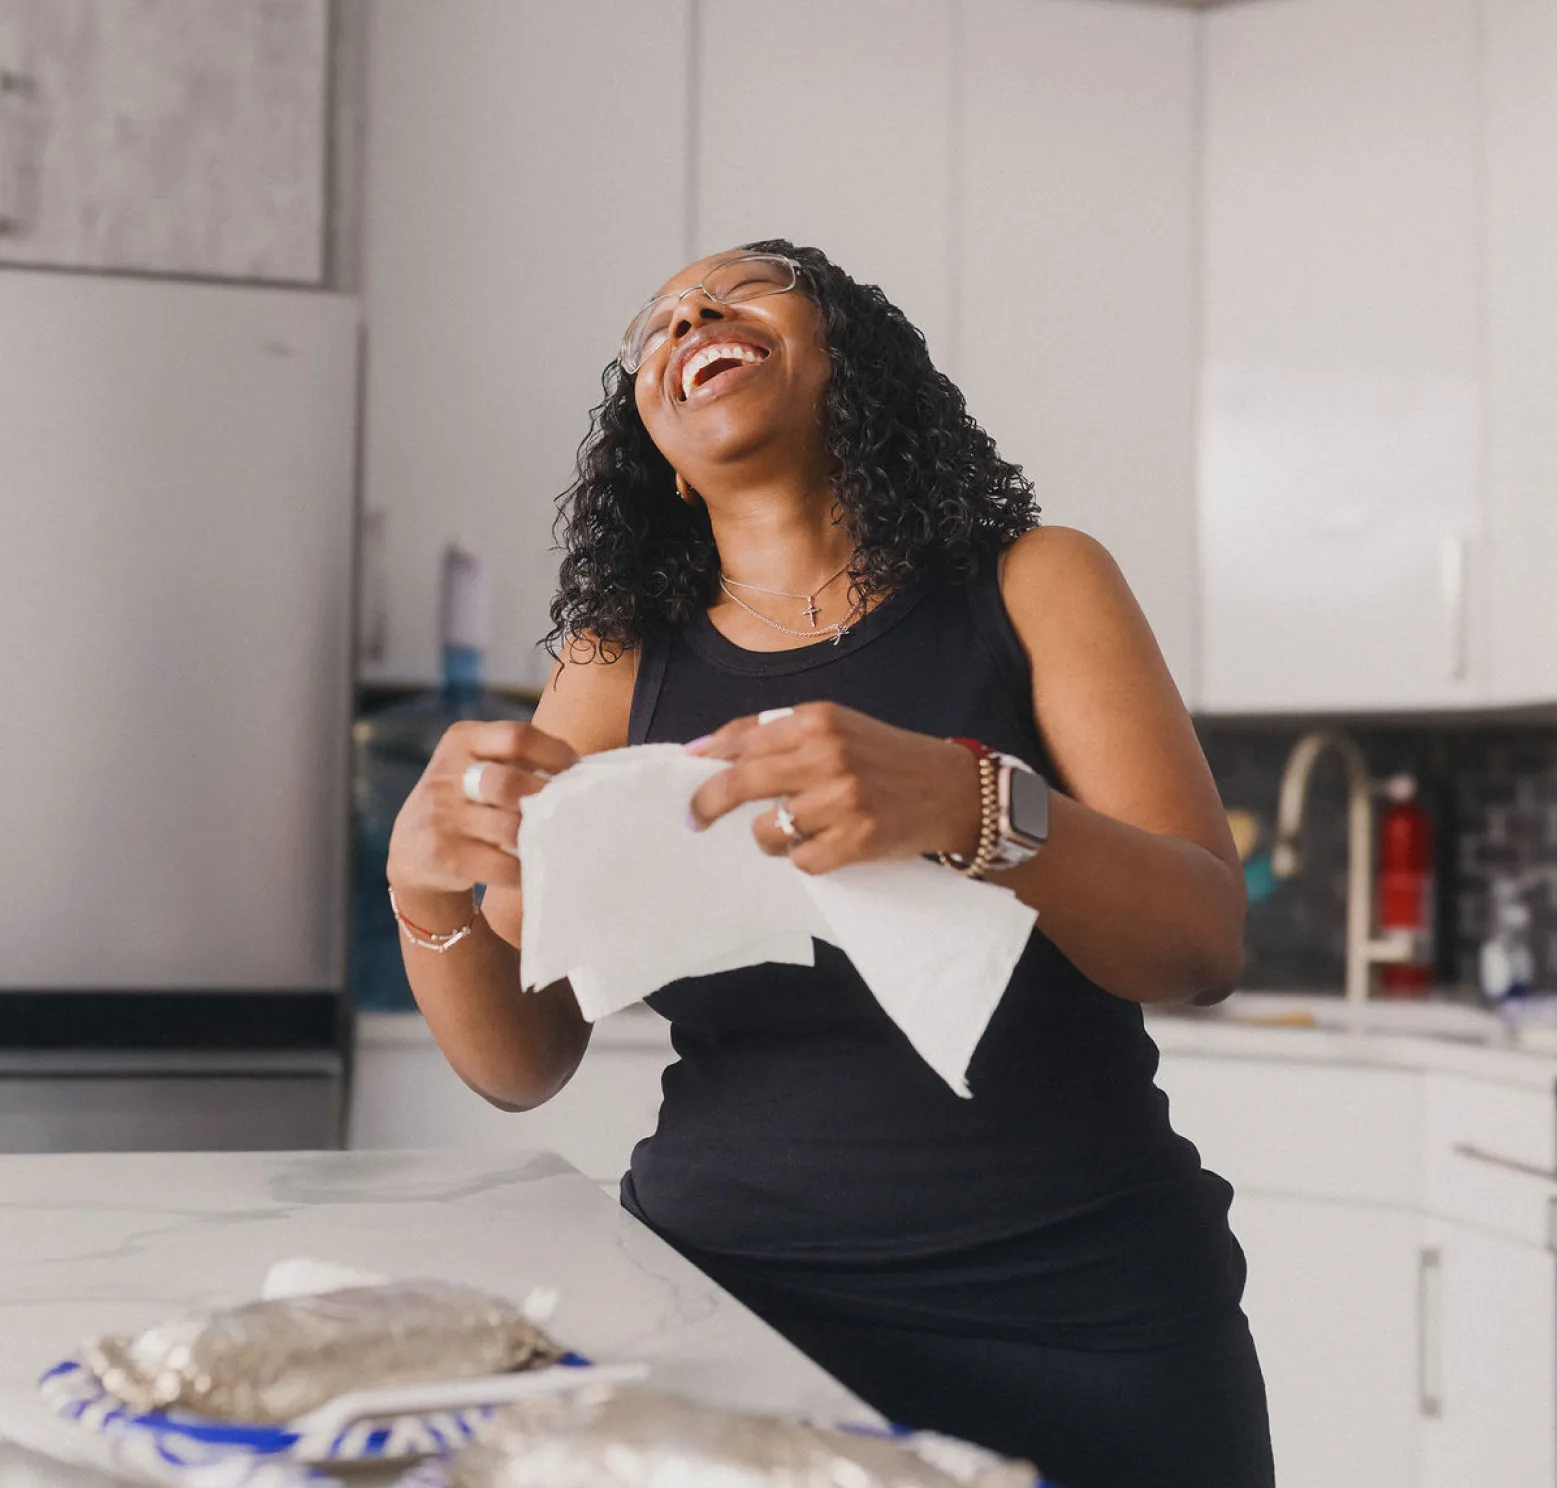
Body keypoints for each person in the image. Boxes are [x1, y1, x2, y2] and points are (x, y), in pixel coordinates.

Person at [387, 240, 1276, 1488]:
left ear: (851, 359)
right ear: (668, 471)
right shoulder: (616, 661)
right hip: (726, 1320)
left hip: (1089, 1320)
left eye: (743, 286)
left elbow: (1201, 945)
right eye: (659, 322)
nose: (690, 311)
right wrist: (426, 889)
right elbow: (524, 1061)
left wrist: (974, 805)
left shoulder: (1035, 582)